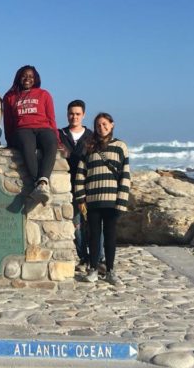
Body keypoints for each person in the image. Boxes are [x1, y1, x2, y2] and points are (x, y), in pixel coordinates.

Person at [74, 112, 131, 285]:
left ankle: (111, 271)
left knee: (110, 237)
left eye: (105, 124)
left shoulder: (120, 146)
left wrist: (121, 202)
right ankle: (92, 269)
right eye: (98, 125)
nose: (102, 128)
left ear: (112, 124)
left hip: (112, 201)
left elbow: (125, 175)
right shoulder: (88, 147)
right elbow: (80, 174)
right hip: (92, 201)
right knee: (93, 236)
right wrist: (81, 198)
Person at [3, 65, 59, 205]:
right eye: (24, 75)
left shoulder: (44, 94)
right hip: (23, 129)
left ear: (35, 79)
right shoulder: (10, 97)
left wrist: (57, 138)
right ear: (18, 77)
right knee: (28, 146)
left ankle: (42, 182)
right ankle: (38, 183)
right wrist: (9, 140)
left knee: (51, 142)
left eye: (31, 76)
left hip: (43, 127)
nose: (27, 78)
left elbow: (51, 118)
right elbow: (8, 121)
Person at [59, 100, 94, 271]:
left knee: (92, 225)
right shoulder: (60, 134)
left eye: (78, 114)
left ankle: (97, 258)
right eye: (71, 113)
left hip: (88, 187)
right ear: (67, 114)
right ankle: (83, 258)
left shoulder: (91, 136)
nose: (74, 117)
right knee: (77, 225)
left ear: (83, 115)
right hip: (67, 187)